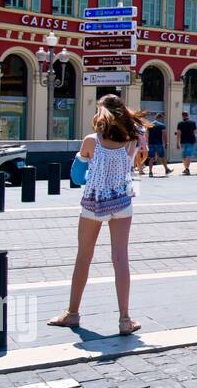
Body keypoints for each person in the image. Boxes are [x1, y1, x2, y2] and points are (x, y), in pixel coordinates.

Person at [47, 94, 146, 336]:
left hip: (93, 205)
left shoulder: (91, 141)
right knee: (120, 258)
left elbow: (77, 178)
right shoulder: (131, 142)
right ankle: (125, 319)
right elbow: (135, 167)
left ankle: (72, 313)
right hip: (122, 203)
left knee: (84, 256)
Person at [146, 112, 172, 177]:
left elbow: (147, 135)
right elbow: (164, 135)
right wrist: (166, 143)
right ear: (160, 118)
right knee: (162, 157)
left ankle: (150, 172)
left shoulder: (150, 125)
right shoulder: (162, 125)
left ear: (155, 117)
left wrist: (147, 143)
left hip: (151, 143)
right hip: (159, 143)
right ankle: (166, 169)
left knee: (151, 158)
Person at [176, 111, 197, 175]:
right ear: (188, 115)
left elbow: (178, 134)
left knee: (183, 156)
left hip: (183, 141)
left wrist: (177, 143)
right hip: (191, 141)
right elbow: (195, 133)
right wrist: (195, 139)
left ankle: (186, 168)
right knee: (188, 155)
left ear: (182, 116)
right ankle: (187, 169)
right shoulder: (193, 123)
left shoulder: (180, 123)